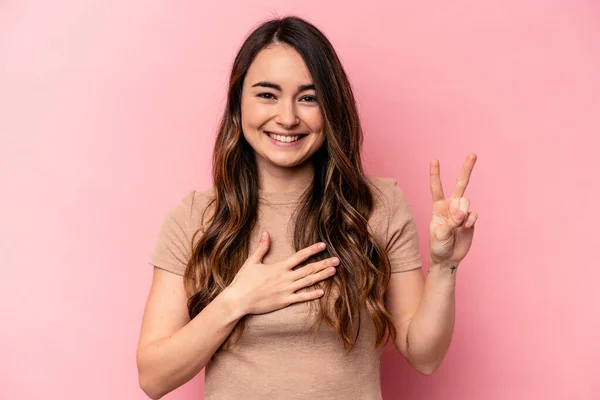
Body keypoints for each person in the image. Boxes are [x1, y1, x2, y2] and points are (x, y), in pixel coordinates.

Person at [136, 15, 478, 400]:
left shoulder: (377, 207)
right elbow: (153, 376)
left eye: (308, 98)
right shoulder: (197, 218)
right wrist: (238, 299)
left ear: (331, 108)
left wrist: (445, 265)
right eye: (267, 94)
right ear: (237, 105)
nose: (287, 117)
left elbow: (425, 356)